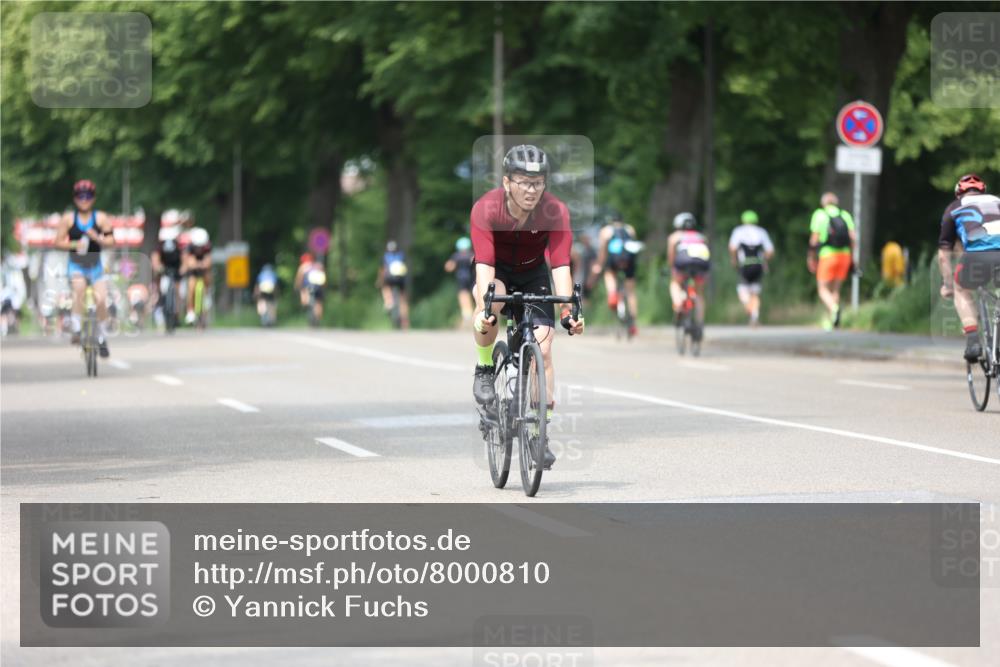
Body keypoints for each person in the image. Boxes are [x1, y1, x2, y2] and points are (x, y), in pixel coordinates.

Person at [469, 144, 585, 470]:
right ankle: (483, 368)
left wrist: (568, 314)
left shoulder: (555, 211)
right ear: (507, 182)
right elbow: (484, 267)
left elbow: (561, 265)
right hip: (497, 271)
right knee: (493, 302)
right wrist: (484, 309)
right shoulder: (487, 209)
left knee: (544, 350)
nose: (531, 190)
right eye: (523, 182)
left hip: (534, 274)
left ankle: (539, 432)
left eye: (538, 182)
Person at [937, 173, 1000, 363]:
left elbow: (943, 255)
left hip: (976, 258)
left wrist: (947, 284)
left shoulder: (954, 208)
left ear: (959, 193)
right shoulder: (997, 201)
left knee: (961, 290)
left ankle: (973, 341)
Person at [54, 180, 115, 356]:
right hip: (76, 265)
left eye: (88, 196)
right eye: (81, 196)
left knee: (102, 298)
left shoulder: (101, 218)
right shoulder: (68, 219)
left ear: (93, 198)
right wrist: (74, 243)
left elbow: (112, 241)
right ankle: (77, 327)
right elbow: (57, 242)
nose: (84, 199)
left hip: (95, 266)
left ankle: (102, 336)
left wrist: (98, 238)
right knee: (79, 289)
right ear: (75, 198)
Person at [807, 192, 856, 330]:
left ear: (823, 203)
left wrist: (811, 257)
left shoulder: (820, 214)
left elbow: (814, 239)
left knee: (823, 289)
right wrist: (852, 256)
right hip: (845, 256)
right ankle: (832, 321)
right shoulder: (845, 215)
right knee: (835, 289)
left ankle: (834, 309)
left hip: (828, 255)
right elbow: (853, 238)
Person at [592, 211, 640, 337]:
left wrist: (599, 265)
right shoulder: (630, 229)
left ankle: (612, 294)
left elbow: (603, 251)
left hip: (613, 261)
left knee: (609, 274)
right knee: (630, 293)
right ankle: (633, 322)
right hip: (629, 262)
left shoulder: (606, 231)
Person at [667, 212, 711, 341]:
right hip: (700, 266)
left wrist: (672, 269)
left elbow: (671, 257)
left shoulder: (674, 237)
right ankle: (699, 324)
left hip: (682, 265)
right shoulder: (702, 237)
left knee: (675, 284)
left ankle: (678, 304)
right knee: (699, 295)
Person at [728, 209, 775, 326]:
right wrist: (764, 260)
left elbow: (733, 248)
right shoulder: (761, 232)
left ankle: (751, 310)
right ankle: (755, 315)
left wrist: (734, 259)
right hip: (758, 265)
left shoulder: (738, 231)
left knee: (742, 290)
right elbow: (770, 251)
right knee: (755, 292)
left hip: (745, 265)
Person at [152, 222, 183, 329]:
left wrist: (182, 268)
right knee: (161, 286)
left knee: (178, 291)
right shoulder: (160, 246)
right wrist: (158, 267)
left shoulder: (178, 245)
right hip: (165, 268)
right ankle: (160, 302)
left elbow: (184, 257)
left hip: (176, 268)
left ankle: (177, 314)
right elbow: (155, 258)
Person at [181, 222, 212, 325]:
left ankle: (207, 295)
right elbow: (186, 260)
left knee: (208, 277)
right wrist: (188, 266)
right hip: (193, 270)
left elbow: (208, 261)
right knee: (191, 287)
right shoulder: (189, 247)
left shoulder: (207, 246)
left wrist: (203, 264)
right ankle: (190, 310)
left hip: (203, 269)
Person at [377, 240, 410, 329]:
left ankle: (389, 301)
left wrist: (379, 281)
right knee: (403, 299)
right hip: (401, 278)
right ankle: (405, 322)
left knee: (385, 287)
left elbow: (383, 270)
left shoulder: (385, 256)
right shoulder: (401, 255)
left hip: (390, 278)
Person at [444, 237, 475, 327]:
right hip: (472, 278)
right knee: (473, 295)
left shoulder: (456, 256)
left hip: (461, 278)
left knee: (463, 295)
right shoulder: (471, 254)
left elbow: (449, 267)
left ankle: (467, 314)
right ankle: (474, 313)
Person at [294, 253, 326, 325]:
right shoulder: (318, 266)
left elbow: (299, 279)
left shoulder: (303, 267)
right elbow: (323, 278)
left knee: (303, 293)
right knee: (319, 303)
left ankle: (306, 304)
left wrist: (297, 287)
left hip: (308, 287)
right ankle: (318, 318)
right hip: (318, 287)